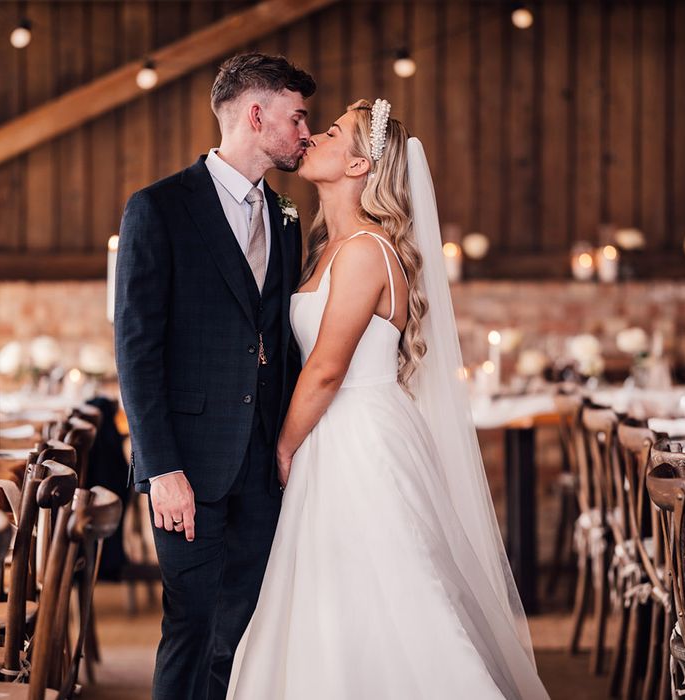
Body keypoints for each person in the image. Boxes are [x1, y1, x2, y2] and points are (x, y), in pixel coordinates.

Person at [226, 99, 550, 699]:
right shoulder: (327, 247)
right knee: (337, 595)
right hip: (335, 433)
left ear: (357, 166)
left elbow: (326, 368)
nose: (313, 137)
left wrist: (283, 448)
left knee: (398, 594)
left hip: (356, 438)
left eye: (331, 133)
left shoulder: (366, 251)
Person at [114, 53, 315, 699]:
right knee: (191, 627)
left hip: (260, 465)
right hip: (187, 468)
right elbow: (137, 351)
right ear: (256, 116)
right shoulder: (159, 209)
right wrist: (162, 468)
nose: (304, 133)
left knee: (246, 630)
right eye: (297, 116)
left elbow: (279, 342)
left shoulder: (286, 220)